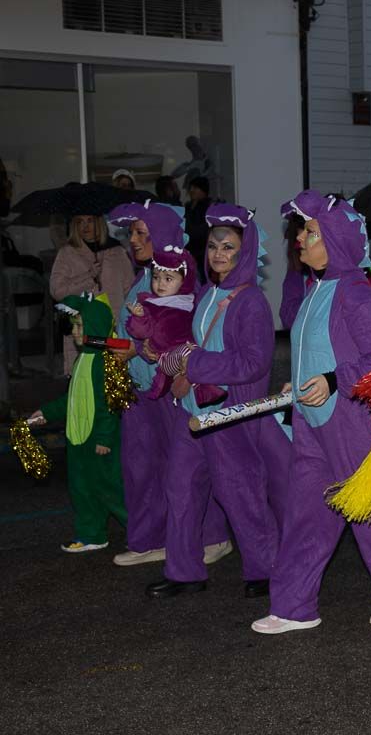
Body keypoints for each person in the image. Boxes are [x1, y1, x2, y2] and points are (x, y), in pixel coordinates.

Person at [255, 191, 371, 634]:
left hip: (349, 418)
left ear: (333, 238)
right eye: (301, 231)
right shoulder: (316, 289)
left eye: (310, 232)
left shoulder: (353, 291)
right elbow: (313, 348)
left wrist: (332, 380)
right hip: (313, 420)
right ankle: (293, 604)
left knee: (369, 512)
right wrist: (302, 377)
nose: (299, 240)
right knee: (306, 512)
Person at [146, 204, 288, 599]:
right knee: (179, 487)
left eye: (228, 247)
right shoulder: (207, 292)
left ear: (245, 252)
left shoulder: (251, 302)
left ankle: (268, 567)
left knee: (240, 492)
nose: (219, 254)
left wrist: (195, 362)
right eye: (212, 246)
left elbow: (254, 364)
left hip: (229, 416)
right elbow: (196, 341)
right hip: (192, 410)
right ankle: (184, 571)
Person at [106, 201, 231, 568]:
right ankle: (150, 538)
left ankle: (212, 535)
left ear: (162, 235)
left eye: (142, 233)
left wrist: (142, 352)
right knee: (140, 465)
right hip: (140, 390)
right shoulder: (143, 278)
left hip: (168, 389)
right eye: (132, 233)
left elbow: (186, 337)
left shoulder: (180, 279)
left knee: (187, 467)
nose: (134, 239)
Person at [29, 295, 126, 553]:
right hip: (78, 439)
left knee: (111, 490)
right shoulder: (82, 358)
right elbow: (71, 398)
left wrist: (105, 438)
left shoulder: (104, 362)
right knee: (82, 490)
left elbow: (110, 403)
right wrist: (46, 412)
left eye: (81, 326)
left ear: (95, 327)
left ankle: (142, 533)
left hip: (98, 440)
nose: (75, 332)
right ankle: (91, 534)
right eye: (74, 326)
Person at [123, 246, 224, 406]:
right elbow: (140, 332)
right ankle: (200, 387)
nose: (160, 283)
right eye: (156, 277)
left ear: (184, 281)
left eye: (168, 279)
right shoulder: (151, 305)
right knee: (189, 354)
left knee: (193, 353)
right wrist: (139, 316)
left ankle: (187, 381)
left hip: (183, 352)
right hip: (166, 357)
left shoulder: (190, 300)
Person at [49, 213, 134, 375]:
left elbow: (129, 291)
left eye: (90, 221)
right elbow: (57, 291)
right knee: (85, 385)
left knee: (113, 387)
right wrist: (89, 276)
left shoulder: (116, 251)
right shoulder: (67, 253)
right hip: (83, 333)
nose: (85, 226)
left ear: (99, 222)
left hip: (113, 329)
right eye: (80, 222)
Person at [184, 176, 212, 269]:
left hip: (202, 252)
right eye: (190, 188)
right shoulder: (188, 207)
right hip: (190, 251)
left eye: (195, 188)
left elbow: (202, 231)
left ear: (203, 190)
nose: (191, 190)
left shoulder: (208, 208)